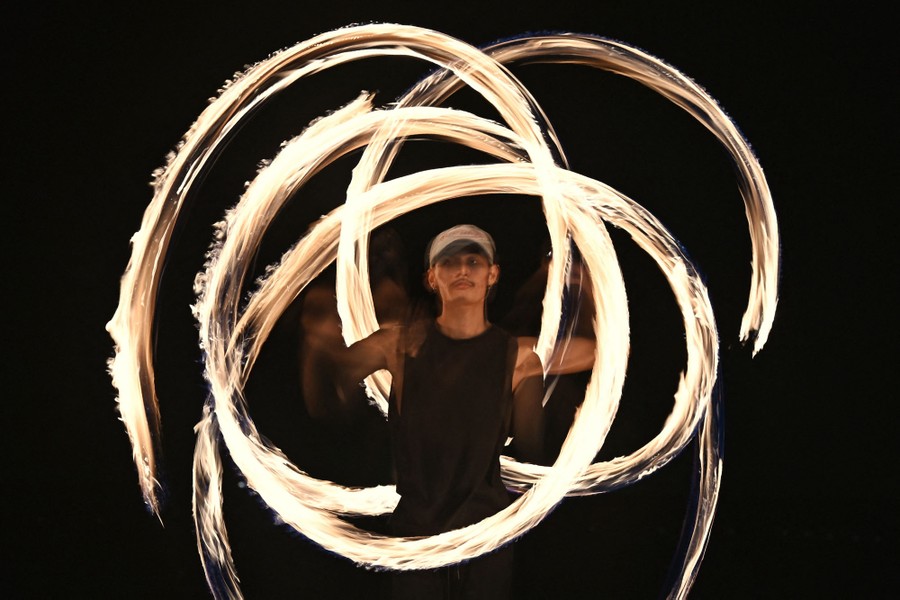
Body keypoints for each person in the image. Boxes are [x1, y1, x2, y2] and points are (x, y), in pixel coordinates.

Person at [301, 224, 591, 599]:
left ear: (492, 274)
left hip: (487, 529)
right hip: (416, 532)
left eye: (474, 261)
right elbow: (333, 387)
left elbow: (599, 352)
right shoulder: (401, 346)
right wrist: (316, 339)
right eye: (449, 262)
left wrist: (578, 285)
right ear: (431, 278)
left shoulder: (515, 355)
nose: (463, 270)